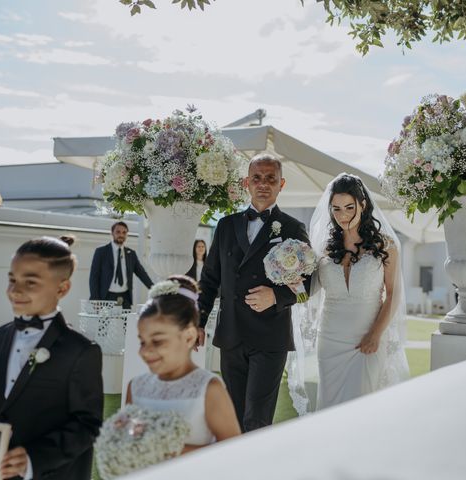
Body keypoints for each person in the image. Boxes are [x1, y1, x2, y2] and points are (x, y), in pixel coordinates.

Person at [198, 153, 311, 432]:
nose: (263, 184)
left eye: (270, 178)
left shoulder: (293, 228)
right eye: (257, 178)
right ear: (246, 183)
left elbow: (309, 285)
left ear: (281, 184)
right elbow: (210, 278)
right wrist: (198, 321)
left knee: (256, 420)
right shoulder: (225, 226)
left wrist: (276, 296)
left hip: (270, 337)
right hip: (231, 333)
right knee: (234, 418)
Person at [295, 173, 409, 410]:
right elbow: (309, 292)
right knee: (330, 407)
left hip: (367, 337)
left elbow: (393, 293)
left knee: (361, 406)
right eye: (336, 209)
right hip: (329, 341)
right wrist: (290, 280)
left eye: (349, 207)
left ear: (363, 205)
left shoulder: (385, 245)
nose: (343, 215)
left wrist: (375, 334)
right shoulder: (325, 249)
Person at [0, 236, 103, 480]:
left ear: (62, 288)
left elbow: (88, 425)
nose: (15, 290)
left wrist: (33, 459)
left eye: (30, 282)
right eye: (12, 280)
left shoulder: (81, 351)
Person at [126, 275, 241, 450]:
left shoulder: (209, 390)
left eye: (158, 341)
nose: (145, 351)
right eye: (142, 341)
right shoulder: (135, 387)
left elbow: (232, 452)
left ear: (188, 337)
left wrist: (166, 451)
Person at [89, 221, 153, 310]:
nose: (121, 235)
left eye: (124, 232)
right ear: (112, 233)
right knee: (105, 323)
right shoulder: (101, 252)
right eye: (118, 232)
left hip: (125, 297)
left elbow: (141, 273)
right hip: (106, 297)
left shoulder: (131, 254)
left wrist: (155, 289)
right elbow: (94, 276)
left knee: (125, 323)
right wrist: (95, 299)